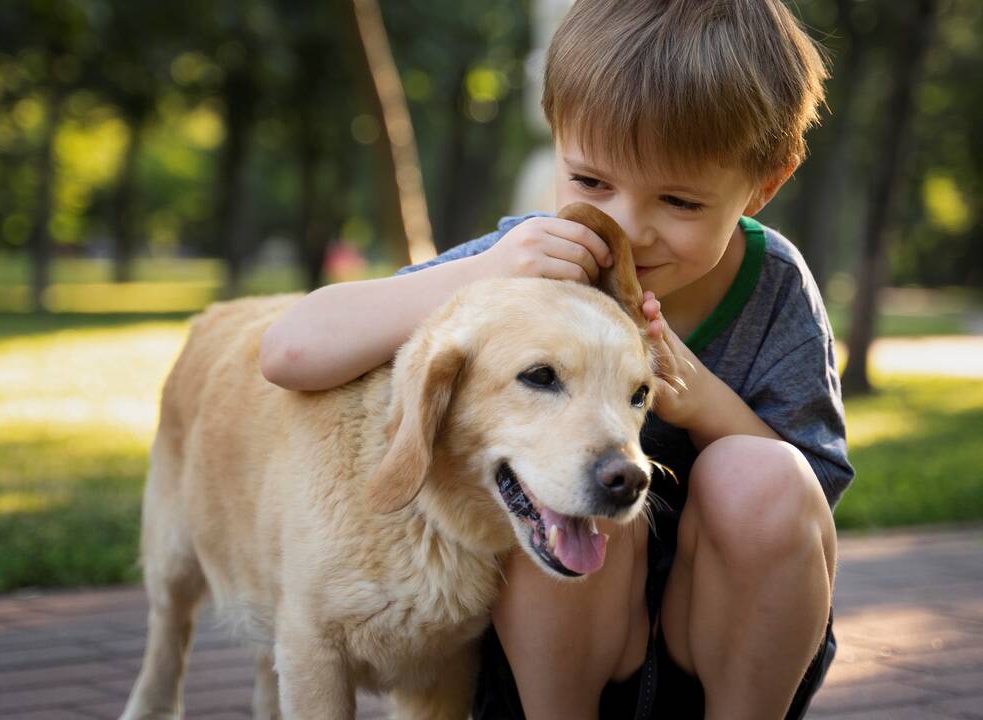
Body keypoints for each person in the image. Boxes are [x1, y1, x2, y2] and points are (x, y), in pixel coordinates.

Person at [259, 0, 854, 717]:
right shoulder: (528, 265)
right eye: (593, 184)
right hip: (559, 643)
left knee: (758, 473)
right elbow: (290, 350)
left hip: (726, 639)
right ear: (558, 141)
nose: (627, 228)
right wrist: (484, 274)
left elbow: (805, 504)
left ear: (765, 183)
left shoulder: (776, 287)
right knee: (554, 486)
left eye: (679, 201)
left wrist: (703, 405)